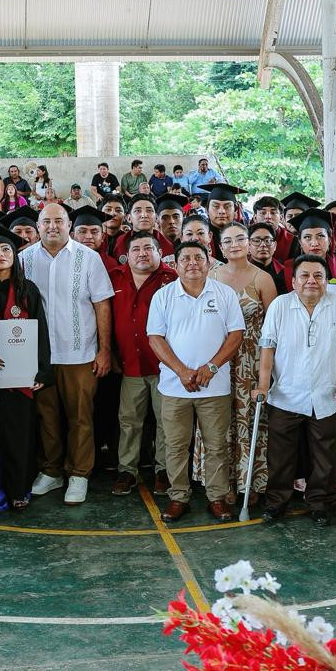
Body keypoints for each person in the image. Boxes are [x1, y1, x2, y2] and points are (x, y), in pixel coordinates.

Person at [254, 254, 336, 525]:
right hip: (285, 393)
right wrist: (263, 385)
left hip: (326, 393)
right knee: (280, 455)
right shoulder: (280, 305)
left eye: (318, 276)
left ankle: (320, 503)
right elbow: (267, 347)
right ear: (293, 281)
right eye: (305, 275)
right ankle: (276, 502)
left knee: (325, 454)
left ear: (326, 281)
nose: (311, 281)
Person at [22, 203, 114, 506]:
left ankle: (79, 473)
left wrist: (104, 350)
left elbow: (102, 304)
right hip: (40, 356)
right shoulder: (23, 259)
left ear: (68, 224)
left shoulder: (89, 258)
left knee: (80, 417)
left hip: (80, 353)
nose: (52, 226)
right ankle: (51, 471)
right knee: (46, 416)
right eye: (46, 221)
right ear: (38, 225)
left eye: (58, 221)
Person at [147, 241, 245, 522]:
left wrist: (211, 367)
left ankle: (217, 498)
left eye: (198, 258)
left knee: (216, 445)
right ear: (175, 265)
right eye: (185, 258)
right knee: (176, 445)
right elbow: (155, 338)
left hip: (214, 387)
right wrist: (181, 371)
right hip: (174, 387)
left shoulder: (224, 294)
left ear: (209, 262)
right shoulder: (163, 296)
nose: (192, 263)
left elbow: (236, 335)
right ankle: (178, 497)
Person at [200, 222, 277, 506]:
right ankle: (223, 482)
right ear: (220, 247)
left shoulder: (262, 278)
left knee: (249, 419)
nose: (234, 245)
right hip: (217, 358)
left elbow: (273, 327)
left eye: (240, 239)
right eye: (228, 241)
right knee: (218, 421)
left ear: (248, 243)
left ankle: (250, 480)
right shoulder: (210, 276)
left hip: (251, 360)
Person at [0, 225, 52, 509]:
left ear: (14, 255)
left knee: (20, 435)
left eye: (6, 249)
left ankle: (19, 489)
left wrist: (43, 369)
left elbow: (41, 330)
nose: (0, 254)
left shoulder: (27, 289)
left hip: (21, 377)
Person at [109, 231, 178, 496]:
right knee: (129, 420)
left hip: (165, 366)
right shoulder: (115, 277)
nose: (142, 253)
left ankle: (164, 470)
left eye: (148, 248)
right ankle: (127, 470)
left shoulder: (172, 279)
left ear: (160, 253)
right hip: (129, 363)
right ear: (127, 254)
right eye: (136, 249)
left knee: (166, 420)